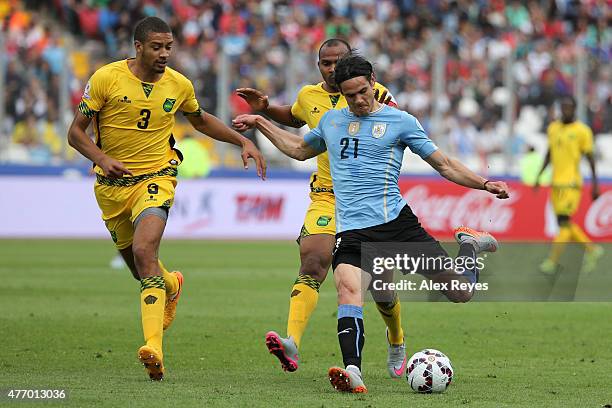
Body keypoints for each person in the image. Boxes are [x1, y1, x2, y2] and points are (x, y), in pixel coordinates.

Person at [233, 54, 509, 393]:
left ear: (373, 81)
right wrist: (262, 123)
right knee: (349, 291)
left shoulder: (401, 121)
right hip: (352, 232)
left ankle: (469, 244)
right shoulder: (332, 122)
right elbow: (299, 150)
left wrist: (484, 183)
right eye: (350, 95)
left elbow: (445, 164)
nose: (359, 100)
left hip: (397, 226)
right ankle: (353, 371)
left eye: (363, 91)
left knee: (461, 293)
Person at [67, 16, 266, 381]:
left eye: (169, 47)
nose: (164, 54)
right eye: (157, 47)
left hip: (157, 177)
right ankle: (172, 285)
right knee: (140, 270)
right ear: (138, 47)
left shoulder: (179, 84)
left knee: (146, 253)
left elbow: (200, 119)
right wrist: (100, 157)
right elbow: (75, 133)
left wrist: (243, 140)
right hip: (111, 187)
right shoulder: (105, 79)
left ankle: (153, 349)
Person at [234, 39, 407, 379]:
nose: (331, 68)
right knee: (313, 262)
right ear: (318, 66)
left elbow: (397, 125)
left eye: (337, 62)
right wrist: (268, 108)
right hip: (327, 195)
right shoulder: (309, 96)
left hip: (370, 199)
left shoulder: (375, 92)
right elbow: (296, 118)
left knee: (382, 286)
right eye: (325, 63)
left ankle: (396, 338)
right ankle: (292, 341)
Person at [535, 95, 603, 274]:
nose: (565, 110)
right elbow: (549, 154)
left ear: (575, 109)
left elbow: (590, 158)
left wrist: (595, 185)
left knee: (564, 222)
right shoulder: (553, 128)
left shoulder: (582, 131)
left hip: (571, 183)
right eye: (563, 107)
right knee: (562, 223)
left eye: (568, 107)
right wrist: (539, 175)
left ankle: (551, 261)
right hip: (555, 183)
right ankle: (592, 250)